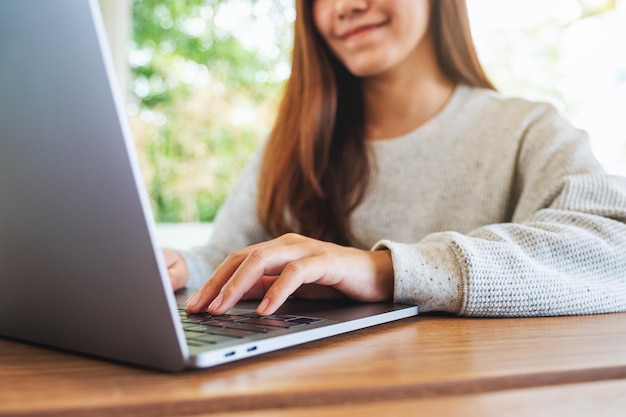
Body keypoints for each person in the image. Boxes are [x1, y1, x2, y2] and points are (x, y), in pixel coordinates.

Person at [164, 0, 626, 318]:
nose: (344, 6)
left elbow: (615, 252)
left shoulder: (530, 132)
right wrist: (185, 268)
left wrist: (387, 271)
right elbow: (226, 257)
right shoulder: (291, 146)